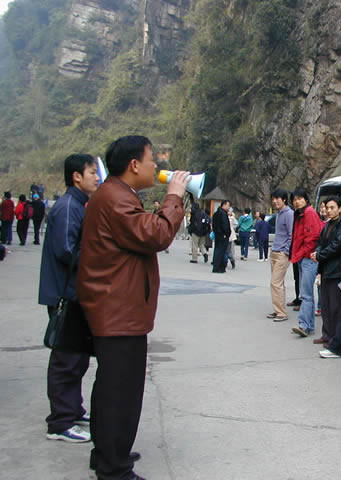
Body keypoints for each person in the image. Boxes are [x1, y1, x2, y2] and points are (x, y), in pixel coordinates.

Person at [76, 136, 189, 480]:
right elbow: (156, 235)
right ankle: (114, 468)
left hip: (115, 308)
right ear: (134, 165)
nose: (156, 166)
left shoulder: (114, 194)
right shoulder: (116, 198)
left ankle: (107, 453)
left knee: (110, 387)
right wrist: (174, 196)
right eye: (152, 160)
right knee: (121, 392)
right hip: (118, 311)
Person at [38, 154, 99, 444]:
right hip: (66, 294)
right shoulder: (67, 207)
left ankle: (73, 409)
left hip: (77, 293)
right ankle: (59, 422)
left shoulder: (78, 205)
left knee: (77, 357)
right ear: (77, 176)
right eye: (91, 172)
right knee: (65, 358)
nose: (96, 177)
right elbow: (66, 250)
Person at [311, 196, 341, 345]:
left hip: (337, 270)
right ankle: (326, 334)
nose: (328, 210)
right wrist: (317, 253)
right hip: (326, 269)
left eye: (332, 207)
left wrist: (319, 255)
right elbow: (321, 243)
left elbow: (337, 246)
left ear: (340, 209)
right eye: (327, 208)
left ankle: (334, 338)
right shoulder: (327, 225)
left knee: (335, 307)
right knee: (326, 305)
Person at [290, 188, 323, 337]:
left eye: (299, 198)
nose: (297, 202)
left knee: (306, 294)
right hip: (301, 257)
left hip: (308, 258)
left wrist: (302, 254)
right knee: (307, 293)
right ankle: (309, 326)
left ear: (306, 199)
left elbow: (313, 237)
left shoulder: (309, 213)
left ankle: (303, 325)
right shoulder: (299, 214)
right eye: (294, 199)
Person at [267, 189, 294, 322]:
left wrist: (285, 251)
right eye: (273, 199)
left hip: (282, 253)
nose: (275, 201)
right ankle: (278, 309)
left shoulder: (289, 214)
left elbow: (291, 234)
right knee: (278, 283)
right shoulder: (279, 214)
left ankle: (281, 313)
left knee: (275, 283)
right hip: (274, 251)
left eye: (277, 198)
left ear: (284, 199)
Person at [212, 200, 231, 273]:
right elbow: (225, 225)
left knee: (217, 250)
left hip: (217, 234)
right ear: (224, 205)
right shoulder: (223, 214)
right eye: (228, 205)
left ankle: (217, 266)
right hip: (223, 235)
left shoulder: (216, 213)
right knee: (221, 252)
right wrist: (227, 233)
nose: (229, 207)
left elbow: (213, 224)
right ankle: (219, 267)